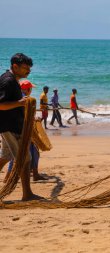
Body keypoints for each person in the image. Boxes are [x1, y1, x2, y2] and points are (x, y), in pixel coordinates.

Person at [0, 53, 42, 201]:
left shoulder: (13, 80)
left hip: (9, 126)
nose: (28, 72)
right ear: (15, 66)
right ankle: (27, 194)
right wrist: (19, 103)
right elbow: (1, 105)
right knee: (25, 158)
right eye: (25, 68)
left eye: (29, 68)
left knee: (5, 156)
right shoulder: (8, 81)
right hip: (10, 126)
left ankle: (27, 193)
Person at [4, 80, 47, 183]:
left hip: (12, 128)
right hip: (22, 130)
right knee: (27, 152)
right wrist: (35, 118)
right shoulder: (25, 99)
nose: (31, 90)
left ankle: (9, 176)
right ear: (28, 89)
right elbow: (25, 115)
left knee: (15, 153)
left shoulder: (16, 97)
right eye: (31, 88)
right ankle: (32, 175)